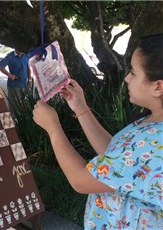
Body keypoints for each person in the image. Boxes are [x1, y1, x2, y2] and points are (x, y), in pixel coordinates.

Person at [33, 34, 163, 229]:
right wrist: (81, 108)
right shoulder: (151, 122)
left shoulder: (156, 142)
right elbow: (116, 156)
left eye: (134, 73)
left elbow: (80, 180)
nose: (127, 78)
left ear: (158, 86)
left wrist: (53, 128)